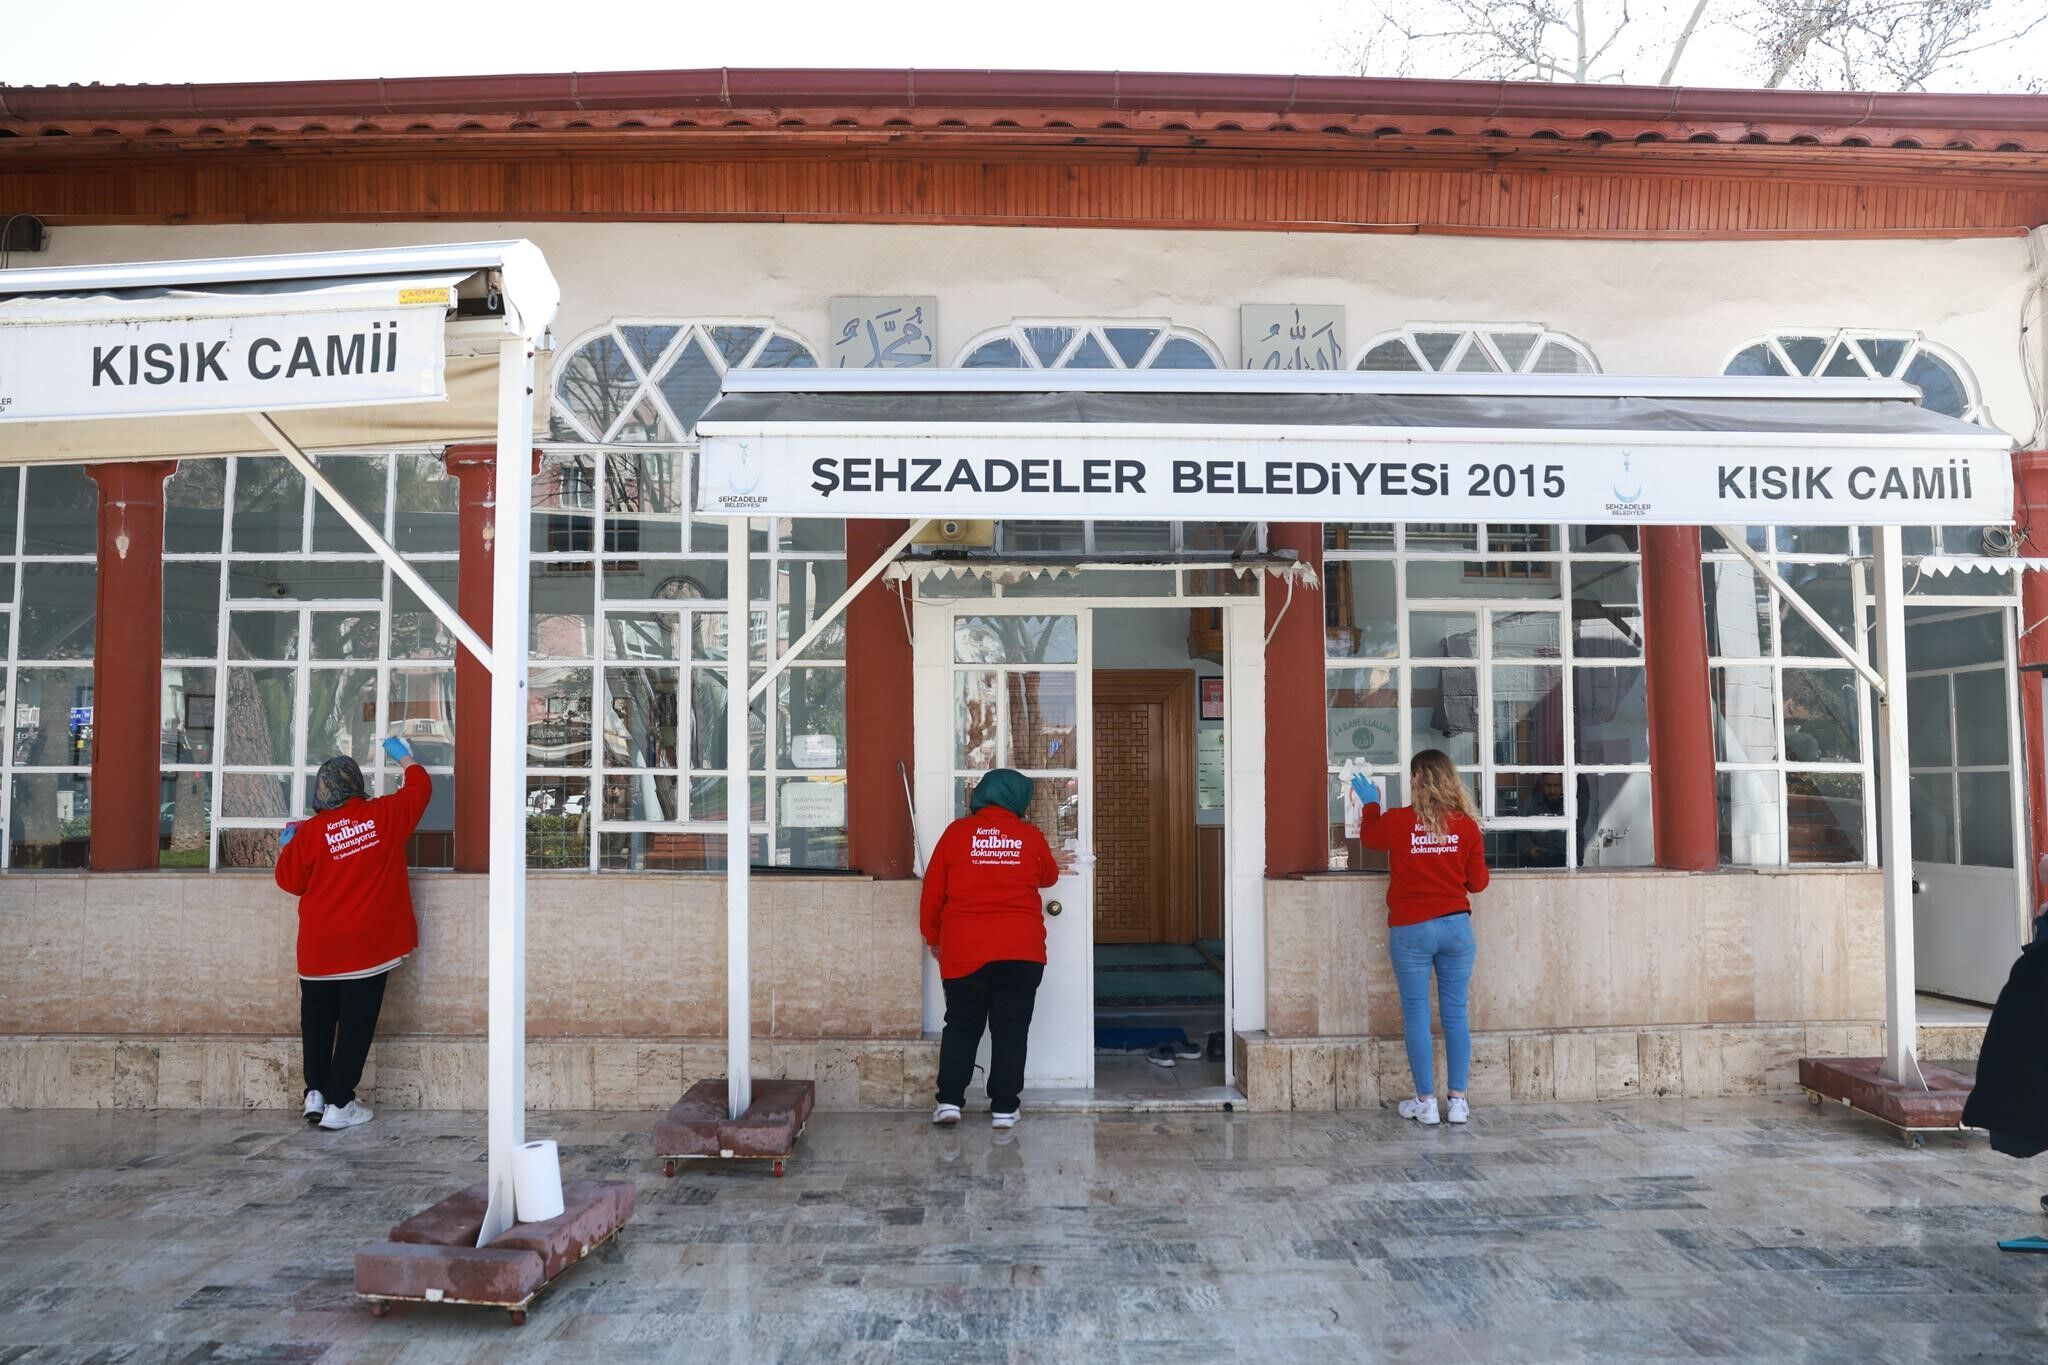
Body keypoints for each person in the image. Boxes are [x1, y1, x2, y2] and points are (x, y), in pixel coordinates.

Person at [275, 737, 432, 1131]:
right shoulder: (385, 815)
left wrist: (290, 847)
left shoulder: (311, 832)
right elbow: (421, 788)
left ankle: (316, 1093)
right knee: (355, 1025)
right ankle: (341, 1103)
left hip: (318, 951)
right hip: (366, 949)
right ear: (357, 785)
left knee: (317, 1021)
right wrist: (405, 758)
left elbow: (289, 881)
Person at [1352, 749, 1490, 1127]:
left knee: (1416, 1014)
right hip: (1455, 928)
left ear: (1416, 779)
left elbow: (1369, 837)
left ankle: (1426, 1102)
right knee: (1455, 1014)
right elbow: (1478, 883)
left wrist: (1371, 805)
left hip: (1411, 929)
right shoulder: (1465, 826)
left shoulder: (1399, 821)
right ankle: (1458, 1102)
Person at [919, 768, 1061, 1130]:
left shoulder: (956, 834)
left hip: (965, 948)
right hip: (1021, 950)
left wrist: (933, 936)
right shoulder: (1029, 837)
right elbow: (1049, 876)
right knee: (1011, 1029)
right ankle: (1004, 1107)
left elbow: (933, 892)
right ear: (1018, 800)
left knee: (962, 1025)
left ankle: (950, 1102)